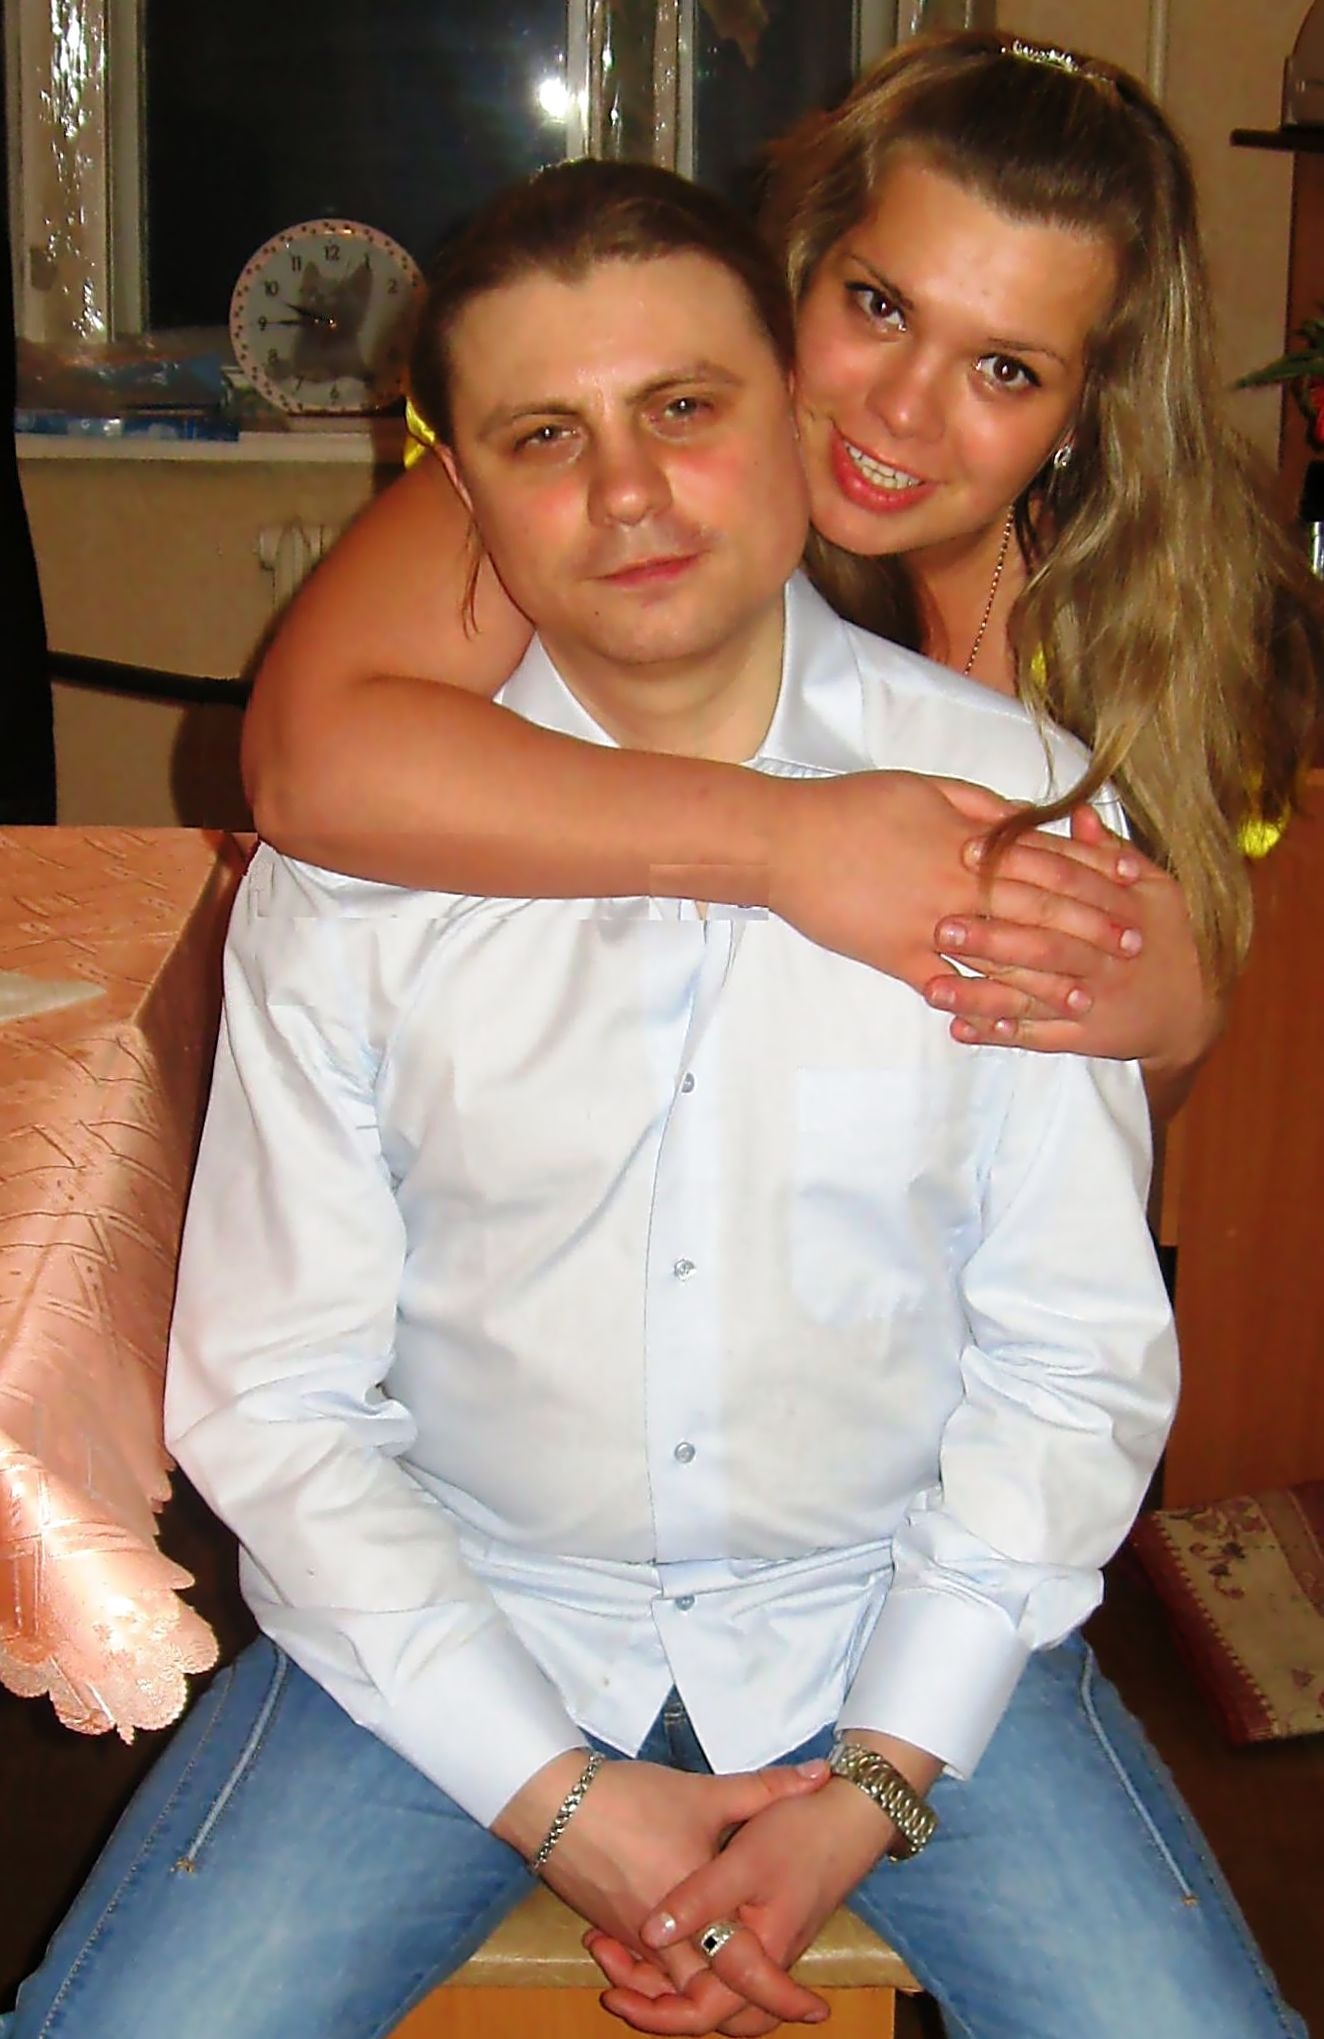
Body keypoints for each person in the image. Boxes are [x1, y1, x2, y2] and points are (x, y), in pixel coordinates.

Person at [5, 159, 1303, 2039]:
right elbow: (274, 1395)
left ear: (792, 417)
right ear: (464, 492)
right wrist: (555, 1794)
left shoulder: (1017, 814)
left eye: (683, 407)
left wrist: (873, 1780)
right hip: (455, 1608)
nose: (625, 493)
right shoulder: (360, 864)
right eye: (546, 435)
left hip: (901, 1610)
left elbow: (1068, 1357)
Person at [240, 31, 1324, 1123]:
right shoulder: (605, 474)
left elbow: (1085, 1132)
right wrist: (787, 842)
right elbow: (306, 767)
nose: (902, 409)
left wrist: (1174, 1030)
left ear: (1088, 407)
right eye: (880, 306)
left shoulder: (1182, 629)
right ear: (803, 263)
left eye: (1005, 368)